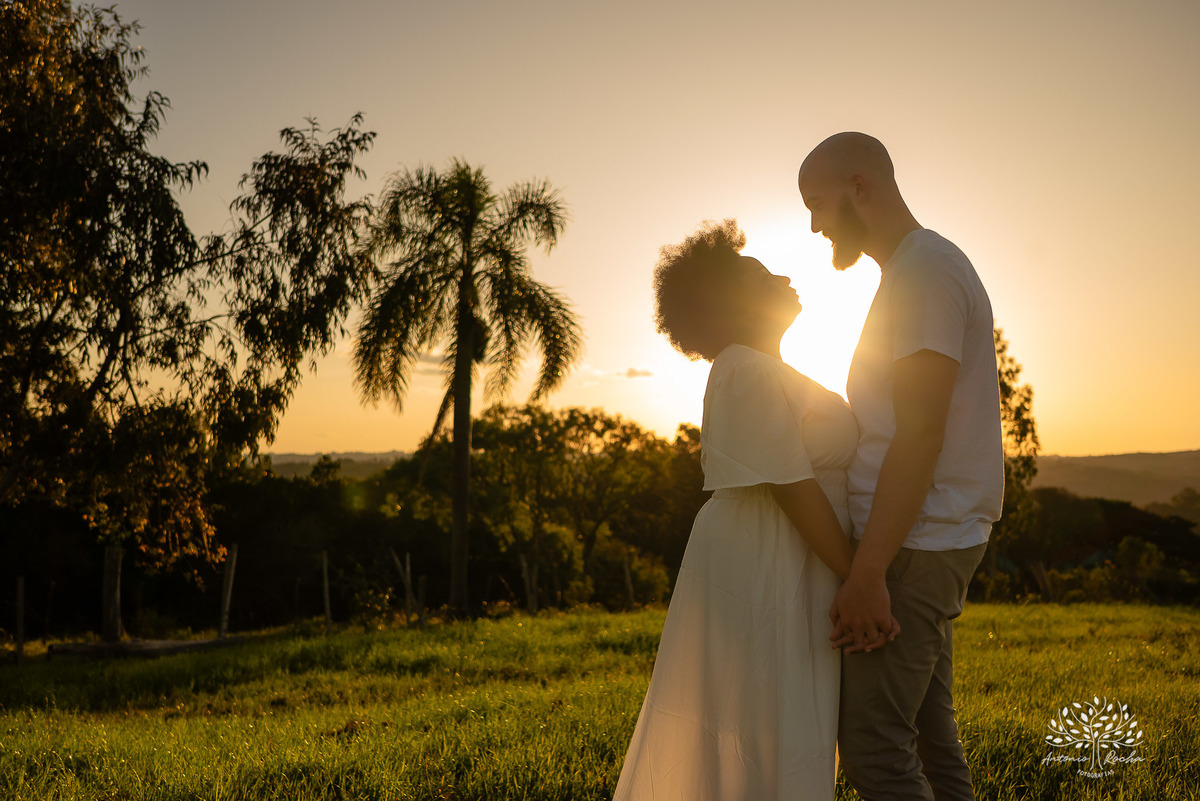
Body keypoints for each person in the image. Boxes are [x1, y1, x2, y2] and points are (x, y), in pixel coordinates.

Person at [613, 219, 895, 801]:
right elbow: (792, 486)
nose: (783, 277)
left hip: (793, 552)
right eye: (761, 276)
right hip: (772, 557)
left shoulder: (769, 369)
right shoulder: (742, 367)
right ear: (728, 304)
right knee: (768, 714)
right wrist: (860, 580)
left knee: (782, 715)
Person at [798, 132, 1004, 801]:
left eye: (816, 202)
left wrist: (869, 572)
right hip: (917, 539)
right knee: (926, 737)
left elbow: (919, 433)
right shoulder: (912, 271)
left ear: (859, 186)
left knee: (875, 748)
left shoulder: (924, 272)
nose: (814, 224)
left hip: (914, 544)